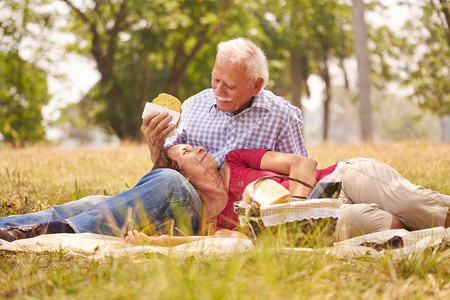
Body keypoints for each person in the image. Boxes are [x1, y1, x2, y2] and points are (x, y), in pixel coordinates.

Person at [126, 145, 450, 246]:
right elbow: (224, 245)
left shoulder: (236, 159)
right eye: (185, 150)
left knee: (409, 203)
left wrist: (298, 209)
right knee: (383, 224)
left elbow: (303, 163)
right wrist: (153, 242)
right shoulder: (211, 223)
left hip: (339, 180)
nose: (197, 147)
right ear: (178, 174)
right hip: (315, 226)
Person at [142, 37, 308, 167]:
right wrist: (155, 145)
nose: (218, 91)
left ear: (256, 85)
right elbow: (166, 169)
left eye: (230, 85)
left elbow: (299, 171)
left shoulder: (282, 116)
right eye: (215, 79)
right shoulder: (192, 106)